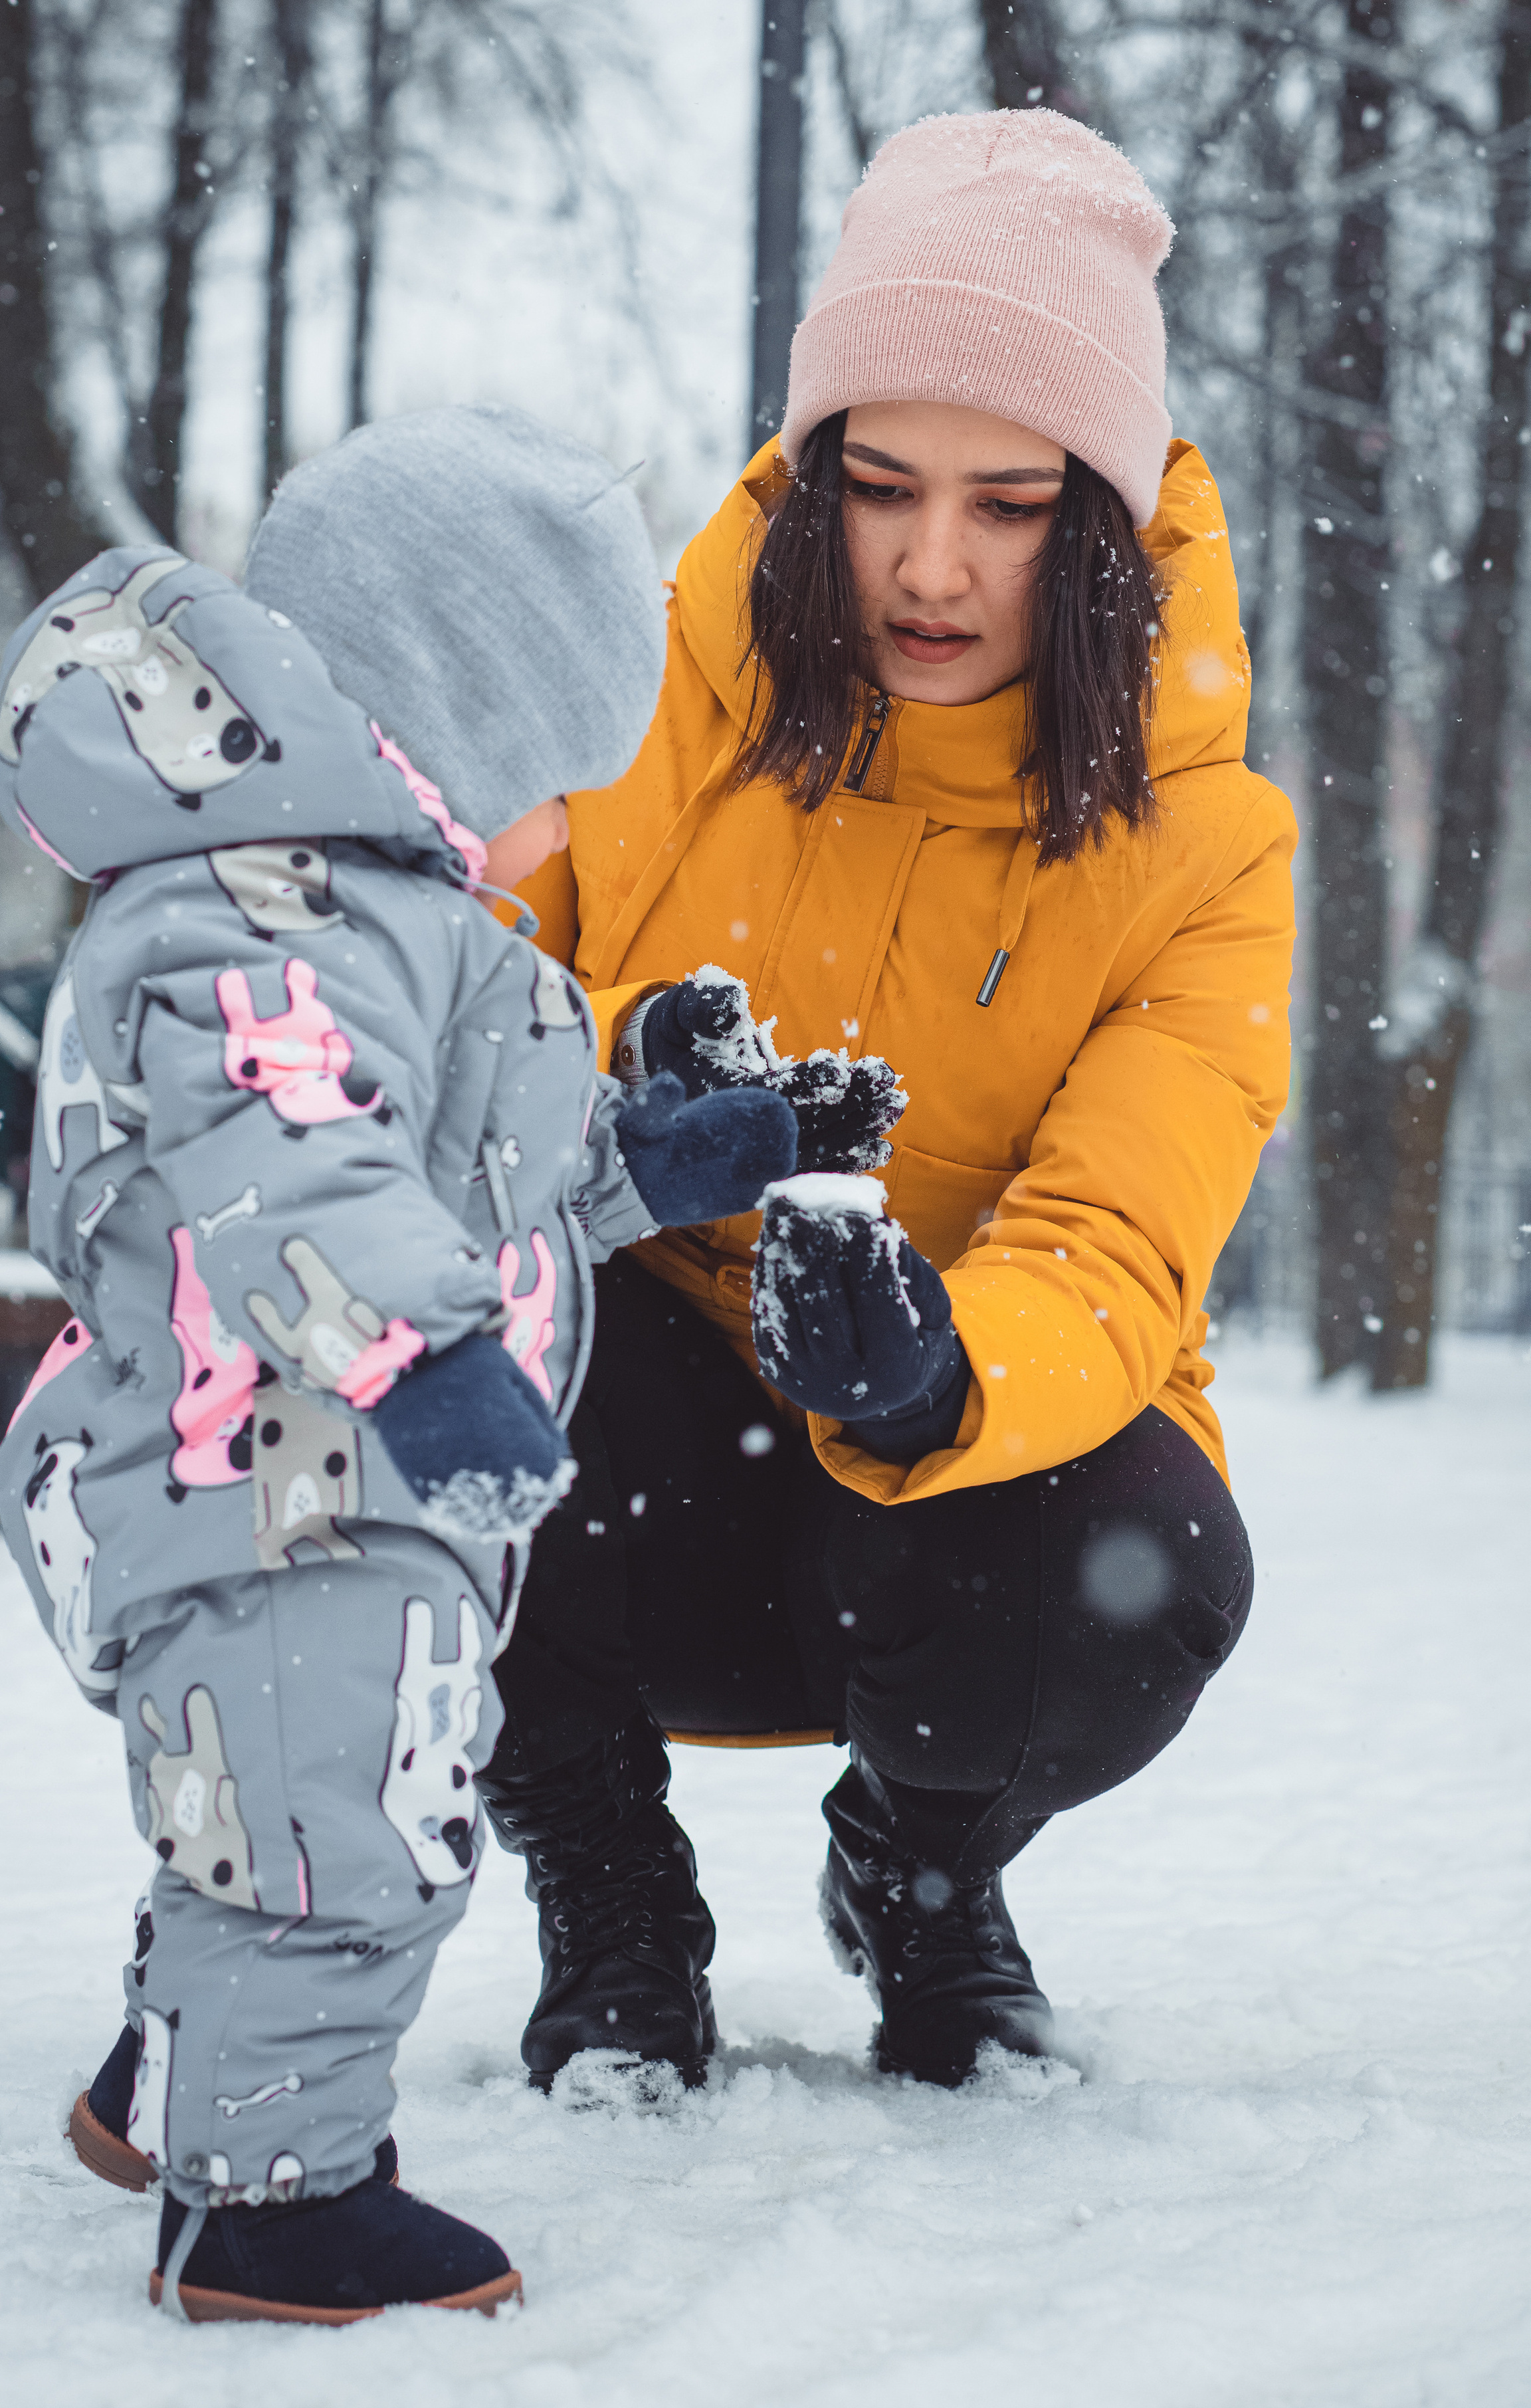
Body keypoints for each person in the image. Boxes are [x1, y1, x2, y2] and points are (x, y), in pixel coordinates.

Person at [478, 110, 1297, 2094]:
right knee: (415, 1380)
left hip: (951, 1482)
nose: (933, 568)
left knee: (1149, 1569)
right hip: (641, 1426)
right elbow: (454, 1008)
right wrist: (595, 1070)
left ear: (1098, 520)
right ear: (815, 478)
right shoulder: (663, 687)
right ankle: (606, 1892)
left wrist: (938, 1377)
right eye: (881, 484)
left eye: (1013, 504)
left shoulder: (1208, 850)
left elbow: (1119, 1236)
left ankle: (921, 1874)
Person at [0, 406, 799, 2323]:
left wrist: (659, 1160)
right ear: (455, 720)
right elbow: (289, 1164)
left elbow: (467, 1169)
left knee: (259, 1806)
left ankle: (170, 2084)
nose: (566, 829)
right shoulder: (275, 920)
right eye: (556, 784)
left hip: (293, 1472)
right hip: (272, 1482)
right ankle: (268, 2200)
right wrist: (430, 1356)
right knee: (344, 1830)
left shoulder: (386, 922)